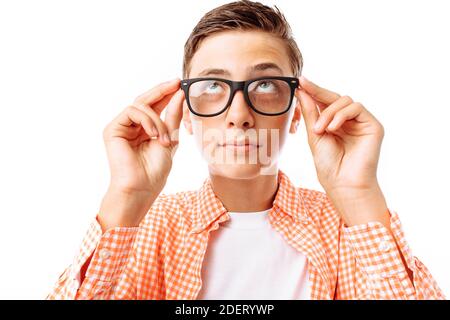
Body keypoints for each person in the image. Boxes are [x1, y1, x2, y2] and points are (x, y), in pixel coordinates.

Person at [47, 0, 444, 300]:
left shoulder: (343, 228)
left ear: (295, 112)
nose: (239, 116)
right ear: (185, 112)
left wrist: (359, 197)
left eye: (267, 86)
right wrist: (126, 198)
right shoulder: (149, 226)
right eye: (212, 86)